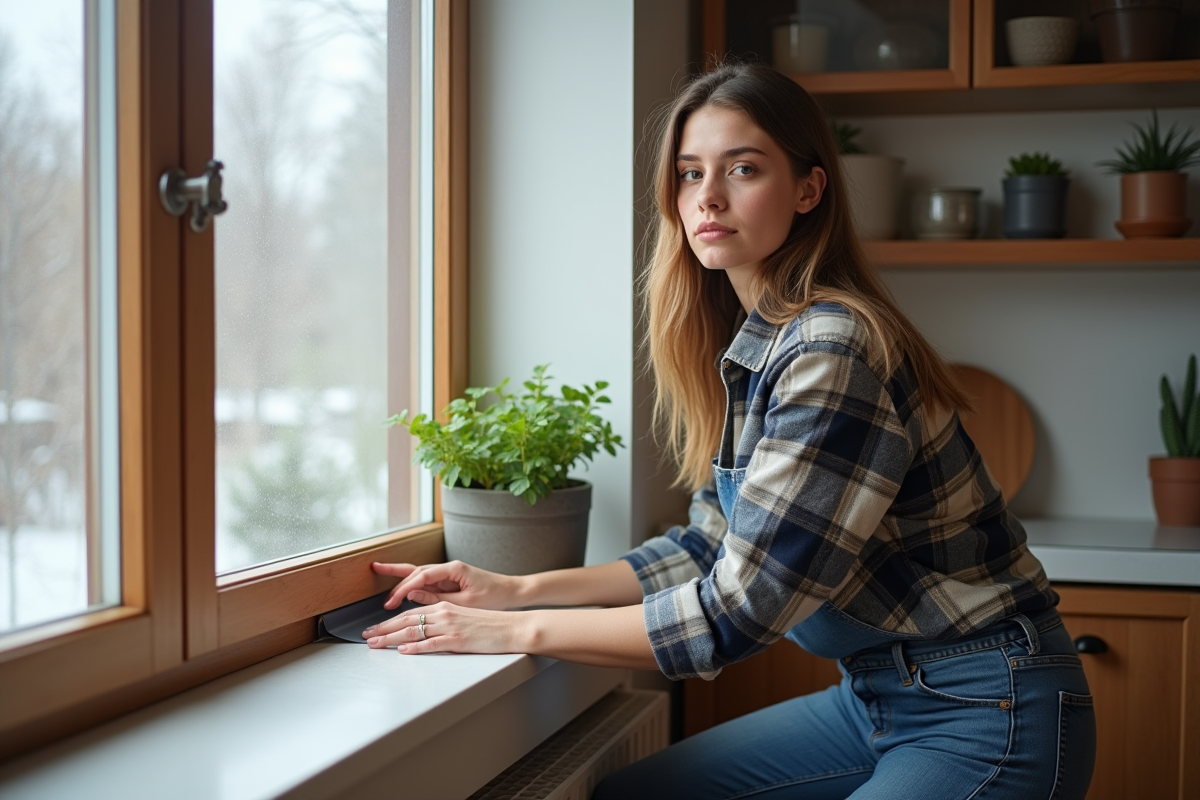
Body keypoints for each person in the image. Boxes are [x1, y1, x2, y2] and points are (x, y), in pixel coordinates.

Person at [362, 63, 1096, 799]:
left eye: (743, 168)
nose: (707, 197)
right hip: (878, 697)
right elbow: (705, 547)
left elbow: (737, 612)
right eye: (688, 174)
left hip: (987, 704)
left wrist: (514, 633)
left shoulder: (831, 347)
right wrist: (517, 590)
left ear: (810, 190)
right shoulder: (761, 343)